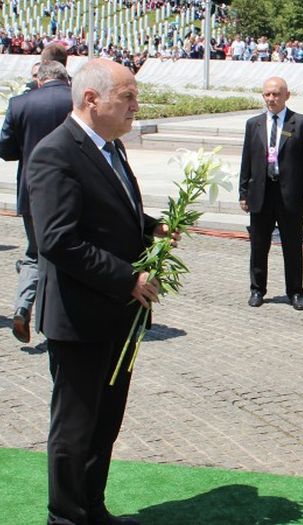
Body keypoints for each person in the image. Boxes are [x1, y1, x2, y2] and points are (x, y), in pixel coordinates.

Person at [25, 59, 175, 525]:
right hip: (80, 316)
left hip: (117, 316)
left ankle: (92, 508)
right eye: (127, 97)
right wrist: (127, 278)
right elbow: (58, 239)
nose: (136, 106)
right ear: (92, 100)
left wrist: (153, 228)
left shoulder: (110, 148)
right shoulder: (57, 153)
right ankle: (65, 518)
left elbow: (113, 217)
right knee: (75, 427)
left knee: (105, 423)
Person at [0, 61, 72, 344]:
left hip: (32, 191)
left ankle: (23, 307)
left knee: (34, 251)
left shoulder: (20, 103)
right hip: (72, 190)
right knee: (69, 250)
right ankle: (60, 315)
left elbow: (5, 149)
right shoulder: (77, 100)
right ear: (65, 78)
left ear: (40, 81)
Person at [239, 77, 303, 311]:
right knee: (259, 245)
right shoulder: (253, 124)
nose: (271, 99)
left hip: (290, 196)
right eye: (267, 95)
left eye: (276, 94)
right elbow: (247, 159)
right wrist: (243, 192)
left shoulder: (301, 123)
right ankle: (257, 289)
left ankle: (295, 291)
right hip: (261, 194)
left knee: (292, 246)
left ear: (287, 95)